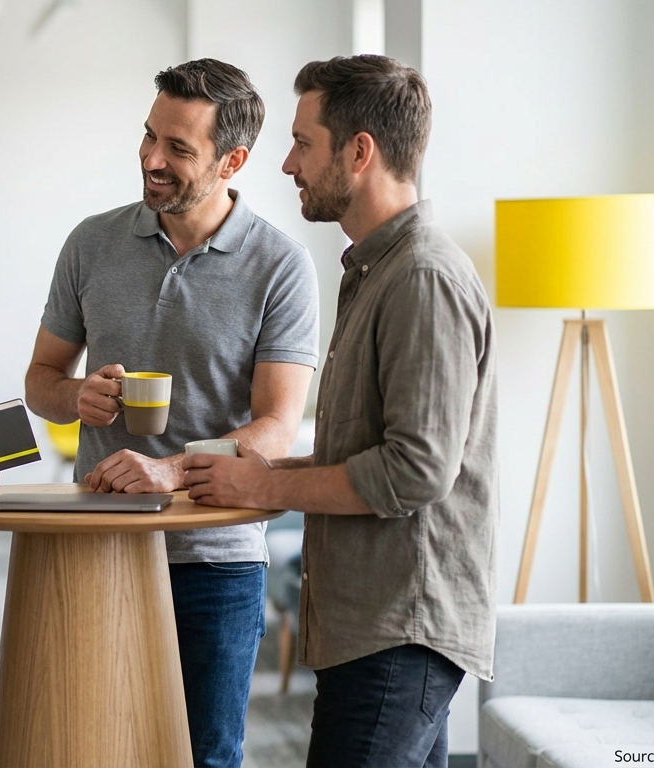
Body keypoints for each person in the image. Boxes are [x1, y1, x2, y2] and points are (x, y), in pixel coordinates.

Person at [182, 54, 498, 768]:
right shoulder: (376, 270)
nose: (288, 164)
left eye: (303, 142)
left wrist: (265, 487)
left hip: (400, 630)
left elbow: (415, 471)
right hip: (375, 625)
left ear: (360, 152)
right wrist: (246, 472)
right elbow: (367, 452)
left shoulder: (421, 276)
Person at [24, 59, 319, 767]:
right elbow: (41, 380)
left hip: (216, 559)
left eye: (179, 149)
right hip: (97, 545)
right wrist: (76, 397)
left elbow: (276, 429)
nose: (153, 160)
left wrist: (170, 472)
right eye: (150, 137)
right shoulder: (91, 243)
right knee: (90, 748)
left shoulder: (281, 266)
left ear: (233, 159)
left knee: (204, 754)